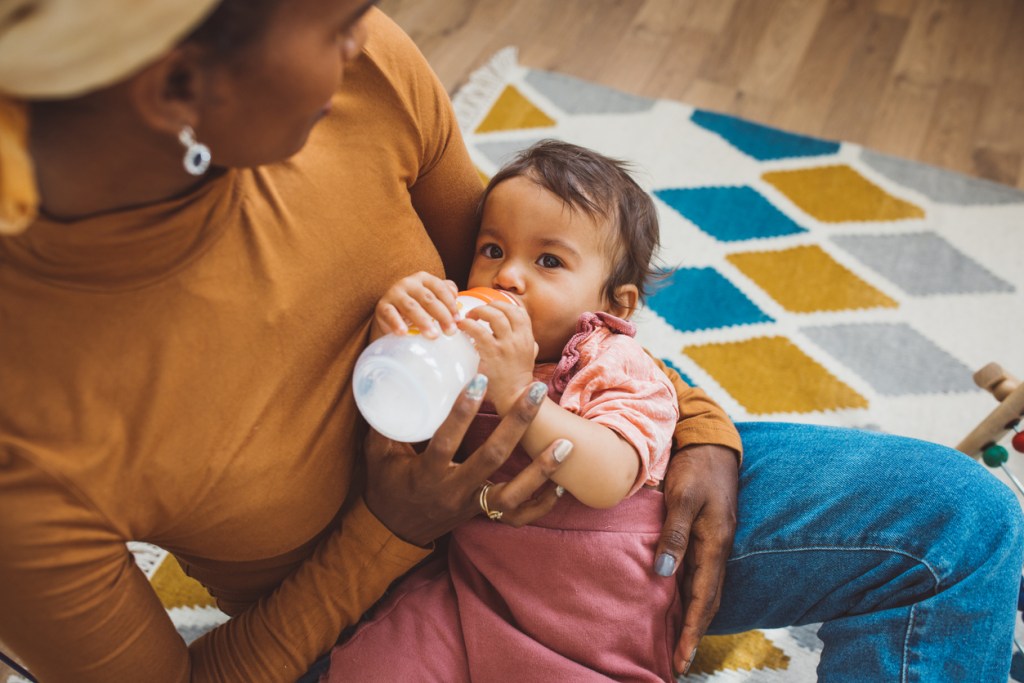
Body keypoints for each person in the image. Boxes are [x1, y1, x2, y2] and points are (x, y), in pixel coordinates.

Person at [0, 2, 1020, 682]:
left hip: (572, 511)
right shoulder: (25, 428)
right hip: (372, 626)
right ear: (178, 91)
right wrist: (386, 532)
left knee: (957, 519)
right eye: (338, 20)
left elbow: (539, 281)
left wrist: (696, 423)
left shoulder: (357, 91)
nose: (369, 31)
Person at [329, 140, 690, 680]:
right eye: (493, 250)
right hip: (476, 589)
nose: (507, 277)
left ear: (615, 303)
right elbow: (413, 430)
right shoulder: (463, 345)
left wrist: (518, 389)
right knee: (374, 665)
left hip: (590, 620)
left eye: (549, 261)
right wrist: (399, 333)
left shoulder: (613, 359)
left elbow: (609, 478)